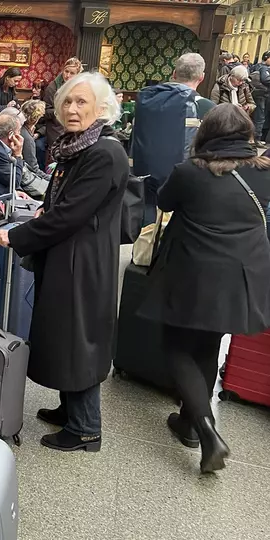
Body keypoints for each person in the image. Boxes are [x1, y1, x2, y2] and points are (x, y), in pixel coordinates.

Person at [0, 72, 128, 453]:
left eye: (82, 102)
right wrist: (41, 210)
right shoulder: (79, 146)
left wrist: (17, 236)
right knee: (67, 335)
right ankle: (71, 410)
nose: (72, 108)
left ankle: (85, 428)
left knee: (78, 339)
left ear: (102, 108)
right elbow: (59, 201)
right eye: (67, 101)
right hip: (69, 255)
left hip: (82, 261)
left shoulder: (104, 152)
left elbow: (70, 214)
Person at [137, 104, 270, 473]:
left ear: (205, 133)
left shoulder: (189, 172)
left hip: (193, 270)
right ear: (246, 134)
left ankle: (207, 431)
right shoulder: (263, 171)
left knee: (177, 346)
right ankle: (188, 425)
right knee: (209, 344)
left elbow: (163, 202)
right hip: (242, 273)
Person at [133, 53, 216, 225]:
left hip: (143, 176)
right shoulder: (205, 107)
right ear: (201, 77)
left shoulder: (147, 99)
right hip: (182, 182)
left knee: (145, 227)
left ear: (174, 73)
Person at [0, 108, 48, 197]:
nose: (20, 133)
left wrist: (17, 192)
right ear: (11, 134)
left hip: (1, 193)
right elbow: (14, 181)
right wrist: (18, 155)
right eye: (19, 130)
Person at [42, 57, 83, 161]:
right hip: (56, 128)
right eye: (66, 71)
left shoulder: (80, 87)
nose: (67, 75)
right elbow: (45, 111)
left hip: (74, 127)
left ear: (77, 74)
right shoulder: (53, 87)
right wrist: (60, 111)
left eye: (72, 73)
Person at [20, 99, 51, 182]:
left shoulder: (20, 128)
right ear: (36, 119)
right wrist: (50, 179)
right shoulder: (27, 138)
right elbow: (33, 168)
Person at [252, 51, 270, 146]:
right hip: (261, 95)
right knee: (260, 117)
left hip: (260, 95)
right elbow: (266, 79)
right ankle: (257, 139)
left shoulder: (257, 66)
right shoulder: (263, 68)